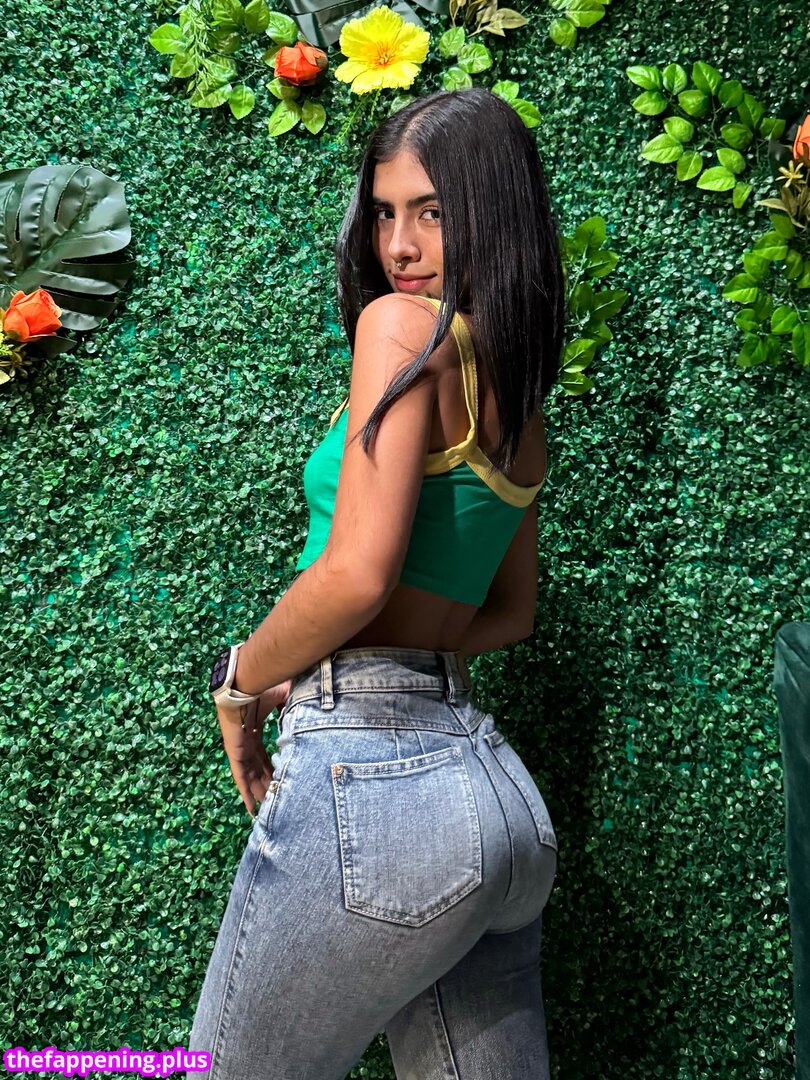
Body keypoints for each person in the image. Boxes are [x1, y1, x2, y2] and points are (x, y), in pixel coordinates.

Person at [187, 85, 566, 1080]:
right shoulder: (522, 402)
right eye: (386, 212)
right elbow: (509, 611)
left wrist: (242, 682)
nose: (399, 246)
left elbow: (358, 574)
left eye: (432, 213)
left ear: (492, 213)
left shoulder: (402, 330)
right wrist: (373, 654)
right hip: (496, 800)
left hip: (375, 786)